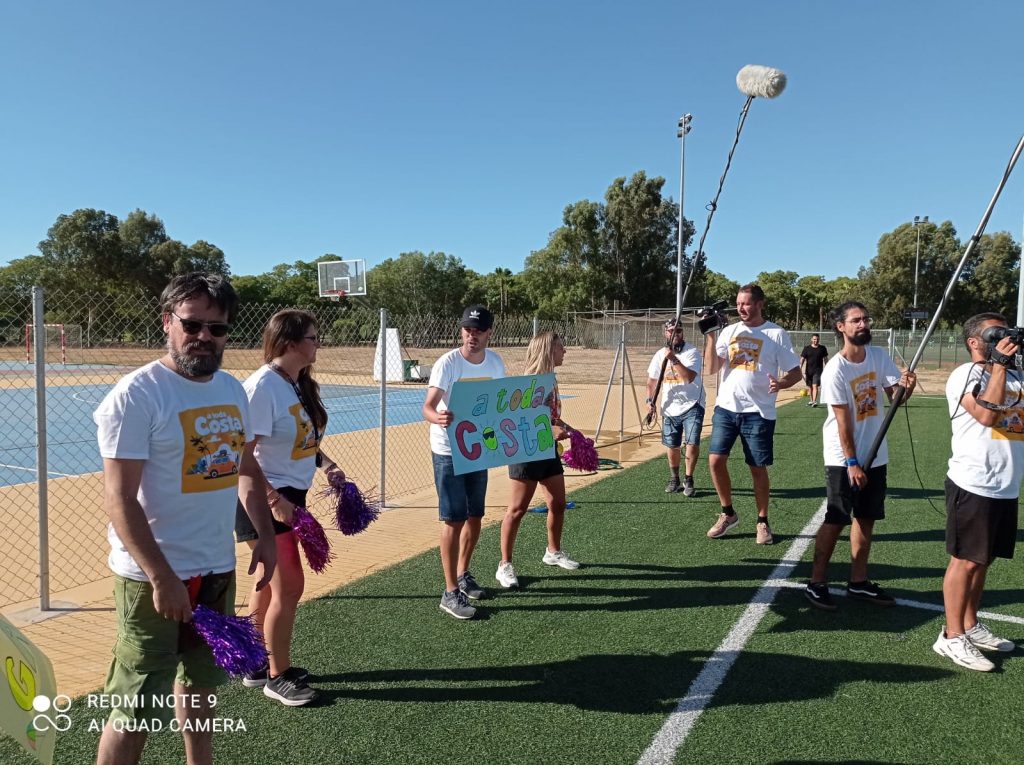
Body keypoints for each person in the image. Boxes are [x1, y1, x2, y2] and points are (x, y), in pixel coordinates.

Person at [93, 273, 277, 765]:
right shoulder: (137, 395)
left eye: (217, 329)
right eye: (193, 324)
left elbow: (245, 468)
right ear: (167, 322)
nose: (204, 337)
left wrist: (265, 534)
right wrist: (162, 577)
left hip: (216, 569)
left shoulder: (233, 390)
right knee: (135, 713)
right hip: (152, 579)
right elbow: (119, 500)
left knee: (200, 695)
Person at [235, 309, 345, 705]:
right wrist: (274, 501)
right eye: (314, 337)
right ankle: (277, 676)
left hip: (288, 496)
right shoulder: (262, 386)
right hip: (263, 498)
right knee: (289, 584)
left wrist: (327, 465)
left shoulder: (296, 383)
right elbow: (241, 456)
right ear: (291, 342)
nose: (319, 344)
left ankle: (254, 663)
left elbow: (303, 442)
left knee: (268, 582)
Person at [804, 302, 916, 611]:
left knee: (866, 518)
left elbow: (896, 398)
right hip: (843, 457)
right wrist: (852, 463)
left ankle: (858, 582)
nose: (863, 324)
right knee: (837, 517)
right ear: (841, 327)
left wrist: (906, 387)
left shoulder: (879, 356)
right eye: (856, 320)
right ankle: (816, 582)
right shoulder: (835, 370)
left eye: (866, 319)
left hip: (876, 453)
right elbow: (843, 423)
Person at [933, 312, 1022, 671]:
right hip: (974, 482)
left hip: (1006, 483)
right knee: (965, 560)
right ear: (974, 342)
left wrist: (1008, 364)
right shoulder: (964, 375)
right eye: (994, 334)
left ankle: (970, 624)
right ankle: (951, 636)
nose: (1004, 339)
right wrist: (998, 365)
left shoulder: (1016, 374)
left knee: (984, 559)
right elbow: (987, 414)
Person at [422, 305, 506, 619]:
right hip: (448, 450)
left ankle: (463, 574)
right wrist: (438, 417)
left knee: (475, 516)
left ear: (489, 333)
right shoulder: (448, 363)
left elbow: (501, 404)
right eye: (467, 330)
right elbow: (428, 407)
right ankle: (449, 592)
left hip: (478, 449)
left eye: (478, 331)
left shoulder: (495, 361)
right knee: (453, 519)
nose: (472, 336)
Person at [703, 284, 801, 545]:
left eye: (746, 303)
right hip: (726, 408)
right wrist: (710, 337)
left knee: (757, 468)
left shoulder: (777, 334)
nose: (741, 308)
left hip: (758, 412)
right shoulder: (729, 331)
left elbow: (796, 372)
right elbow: (711, 368)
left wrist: (781, 384)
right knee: (715, 461)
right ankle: (728, 514)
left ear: (760, 304)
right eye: (738, 303)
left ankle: (762, 521)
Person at [496, 332, 579, 590]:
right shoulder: (527, 383)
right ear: (547, 350)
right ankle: (504, 565)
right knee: (517, 510)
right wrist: (549, 430)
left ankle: (553, 552)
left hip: (548, 451)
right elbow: (518, 420)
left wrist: (569, 430)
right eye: (560, 347)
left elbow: (550, 417)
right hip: (526, 452)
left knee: (558, 503)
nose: (564, 351)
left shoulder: (551, 381)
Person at [646, 318, 705, 496]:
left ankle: (689, 478)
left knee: (692, 442)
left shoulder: (692, 352)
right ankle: (674, 478)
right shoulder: (659, 355)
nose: (675, 334)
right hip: (670, 407)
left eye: (678, 331)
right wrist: (650, 402)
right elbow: (652, 381)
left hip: (692, 404)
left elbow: (688, 378)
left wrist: (673, 359)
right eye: (671, 331)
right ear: (666, 333)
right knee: (672, 445)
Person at [800, 333, 829, 407]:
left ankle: (814, 401)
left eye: (817, 339)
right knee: (810, 387)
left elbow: (825, 359)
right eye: (814, 339)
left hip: (818, 370)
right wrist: (800, 367)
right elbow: (802, 359)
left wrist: (828, 367)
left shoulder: (822, 348)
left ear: (819, 340)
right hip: (808, 371)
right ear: (811, 339)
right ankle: (811, 400)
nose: (816, 341)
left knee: (815, 385)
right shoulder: (806, 348)